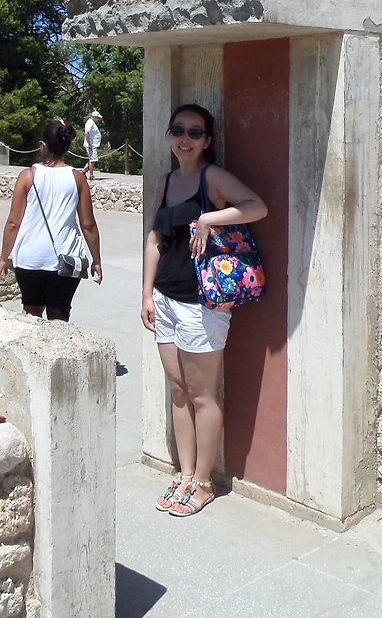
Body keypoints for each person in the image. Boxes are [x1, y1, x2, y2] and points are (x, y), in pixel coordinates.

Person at [141, 103, 267, 517]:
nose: (185, 138)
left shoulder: (211, 177)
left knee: (201, 394)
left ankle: (204, 481)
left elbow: (256, 206)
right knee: (179, 390)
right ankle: (184, 473)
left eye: (194, 132)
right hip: (165, 298)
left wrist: (210, 217)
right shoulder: (165, 181)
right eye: (178, 130)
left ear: (207, 140)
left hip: (202, 303)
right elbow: (155, 240)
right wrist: (146, 294)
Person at [0, 119, 103, 320]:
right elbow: (88, 225)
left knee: (31, 311)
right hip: (67, 257)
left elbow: (13, 223)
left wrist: (3, 257)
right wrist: (96, 260)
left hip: (30, 257)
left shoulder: (27, 176)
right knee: (59, 314)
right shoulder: (78, 178)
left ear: (43, 145)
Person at [83, 110, 103, 179]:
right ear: (94, 117)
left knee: (91, 158)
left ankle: (84, 170)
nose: (98, 119)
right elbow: (87, 133)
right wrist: (90, 144)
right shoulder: (90, 123)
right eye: (97, 117)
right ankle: (91, 175)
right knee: (92, 160)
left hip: (92, 144)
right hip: (91, 144)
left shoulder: (91, 123)